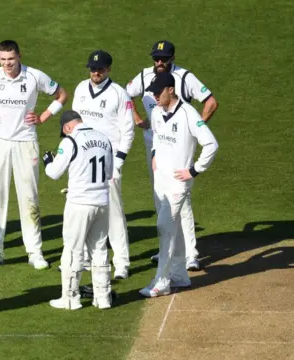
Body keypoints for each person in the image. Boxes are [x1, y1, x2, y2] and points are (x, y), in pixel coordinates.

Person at [0, 40, 68, 270]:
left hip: (26, 142)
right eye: (3, 59)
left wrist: (43, 117)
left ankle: (35, 251)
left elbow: (61, 95)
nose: (7, 64)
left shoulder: (34, 76)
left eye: (11, 59)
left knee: (29, 196)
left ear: (19, 56)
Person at [126, 40, 219, 271]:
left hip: (179, 149)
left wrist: (196, 129)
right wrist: (137, 119)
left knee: (182, 201)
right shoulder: (144, 76)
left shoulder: (185, 78)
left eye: (163, 58)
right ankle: (167, 249)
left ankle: (190, 253)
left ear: (172, 58)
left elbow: (211, 102)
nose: (159, 62)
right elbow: (124, 96)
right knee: (161, 197)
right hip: (156, 148)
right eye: (156, 58)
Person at [138, 73, 218, 298]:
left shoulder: (188, 114)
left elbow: (211, 144)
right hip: (160, 180)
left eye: (158, 91)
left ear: (171, 90)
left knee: (164, 226)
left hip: (177, 184)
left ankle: (162, 281)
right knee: (173, 229)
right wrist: (154, 153)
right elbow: (155, 135)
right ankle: (180, 275)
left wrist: (193, 170)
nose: (154, 96)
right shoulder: (156, 111)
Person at [71, 50, 134, 280]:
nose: (95, 73)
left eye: (100, 69)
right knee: (86, 210)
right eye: (92, 69)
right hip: (84, 163)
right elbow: (74, 124)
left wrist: (117, 162)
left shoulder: (119, 94)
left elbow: (128, 131)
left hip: (109, 163)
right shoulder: (80, 89)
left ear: (108, 69)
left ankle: (122, 263)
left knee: (114, 214)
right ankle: (87, 260)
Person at [43, 110, 114, 310]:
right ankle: (103, 298)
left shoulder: (70, 141)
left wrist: (48, 161)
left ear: (67, 127)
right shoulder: (104, 138)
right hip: (102, 201)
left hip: (80, 203)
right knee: (99, 249)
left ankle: (70, 298)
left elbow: (54, 173)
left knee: (72, 250)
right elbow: (109, 173)